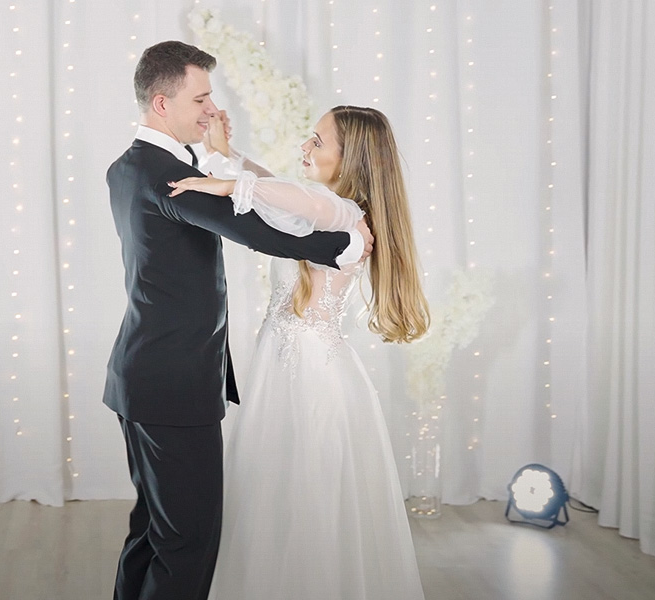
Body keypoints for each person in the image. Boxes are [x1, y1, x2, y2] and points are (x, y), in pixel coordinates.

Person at [103, 42, 374, 600]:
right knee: (188, 542)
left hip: (143, 376)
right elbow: (253, 228)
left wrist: (227, 160)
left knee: (153, 532)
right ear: (162, 103)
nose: (211, 108)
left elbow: (266, 202)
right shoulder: (168, 176)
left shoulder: (130, 166)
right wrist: (344, 245)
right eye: (200, 98)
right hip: (173, 387)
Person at [168, 105, 430, 599]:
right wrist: (229, 156)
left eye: (317, 142)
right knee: (277, 489)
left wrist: (227, 183)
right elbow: (282, 190)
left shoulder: (344, 212)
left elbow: (285, 194)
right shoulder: (325, 204)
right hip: (287, 362)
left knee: (307, 490)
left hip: (310, 372)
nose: (304, 147)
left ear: (350, 159)